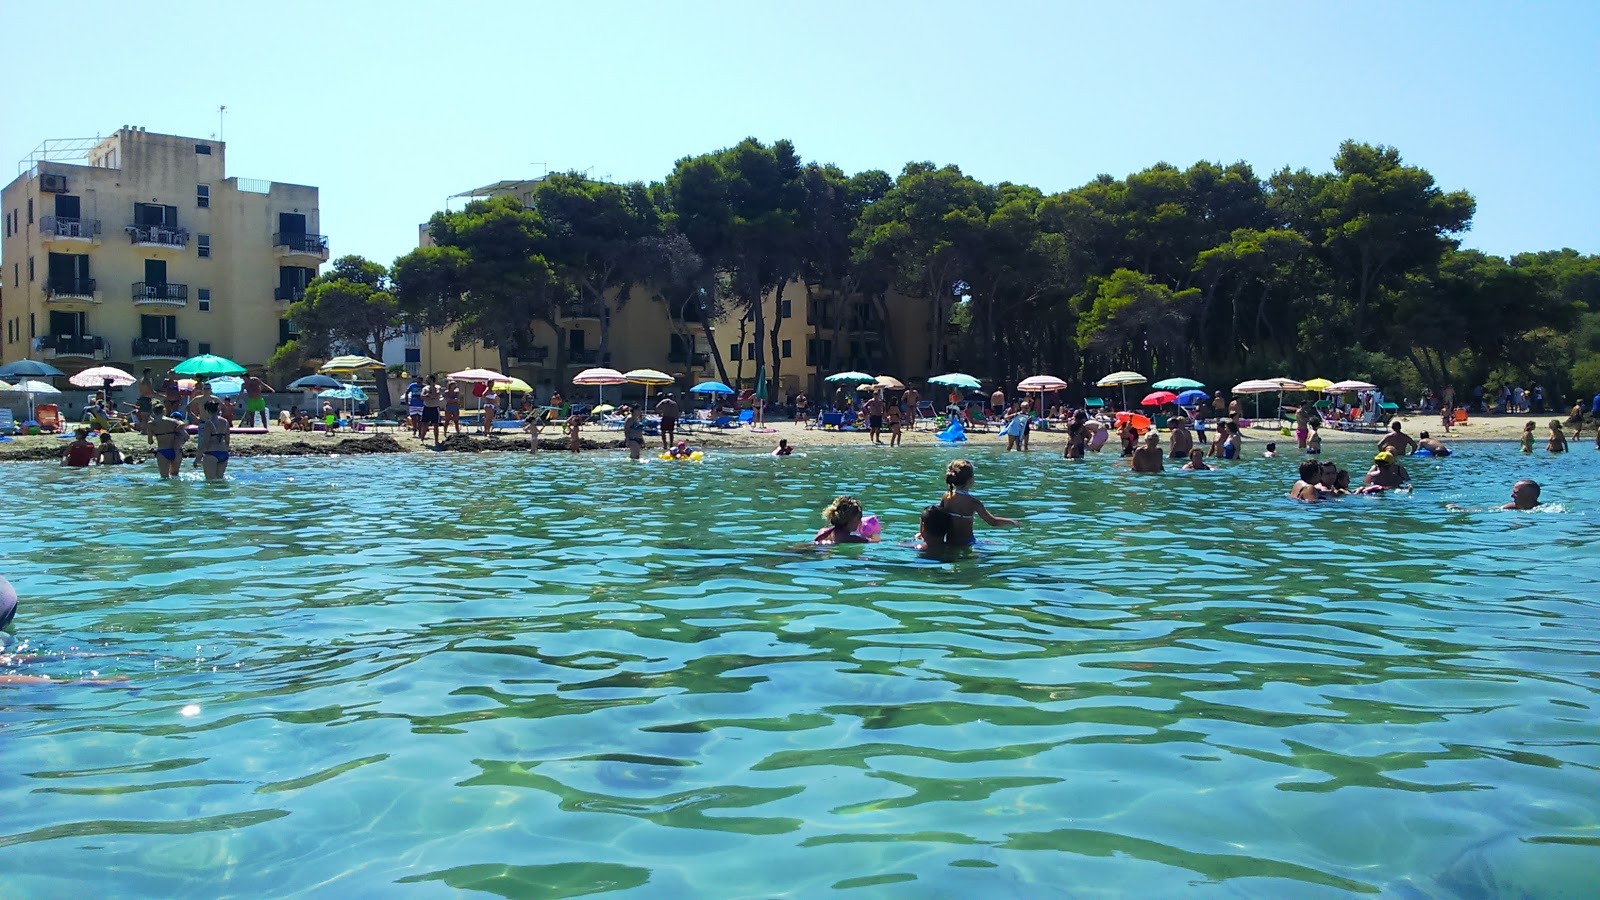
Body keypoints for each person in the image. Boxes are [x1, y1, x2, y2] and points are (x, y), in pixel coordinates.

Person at [938, 460, 1018, 543]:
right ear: (970, 480)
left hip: (951, 541)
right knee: (995, 545)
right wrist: (1011, 522)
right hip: (967, 542)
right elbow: (993, 521)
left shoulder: (946, 496)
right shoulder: (973, 502)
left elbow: (937, 516)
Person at [147, 403, 186, 480]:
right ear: (164, 411)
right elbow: (183, 426)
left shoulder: (151, 424)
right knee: (175, 476)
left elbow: (150, 441)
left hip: (162, 451)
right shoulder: (172, 421)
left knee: (164, 478)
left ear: (154, 412)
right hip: (176, 450)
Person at [197, 399, 231, 481]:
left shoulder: (208, 423)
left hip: (211, 453)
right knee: (219, 480)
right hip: (223, 453)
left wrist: (198, 458)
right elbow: (227, 440)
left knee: (210, 481)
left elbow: (205, 442)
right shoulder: (225, 421)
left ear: (207, 411)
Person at [420, 375, 443, 443]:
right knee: (425, 425)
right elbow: (422, 396)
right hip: (427, 408)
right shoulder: (425, 388)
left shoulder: (438, 387)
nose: (426, 380)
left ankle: (436, 441)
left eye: (428, 379)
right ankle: (422, 439)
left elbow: (436, 394)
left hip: (435, 408)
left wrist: (429, 394)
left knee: (436, 425)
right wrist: (430, 396)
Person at [405, 374, 426, 439]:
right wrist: (407, 401)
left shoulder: (424, 387)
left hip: (421, 405)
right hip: (413, 404)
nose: (418, 382)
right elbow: (407, 392)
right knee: (413, 418)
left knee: (420, 419)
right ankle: (414, 429)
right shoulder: (412, 385)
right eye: (417, 381)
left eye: (419, 381)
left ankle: (420, 432)